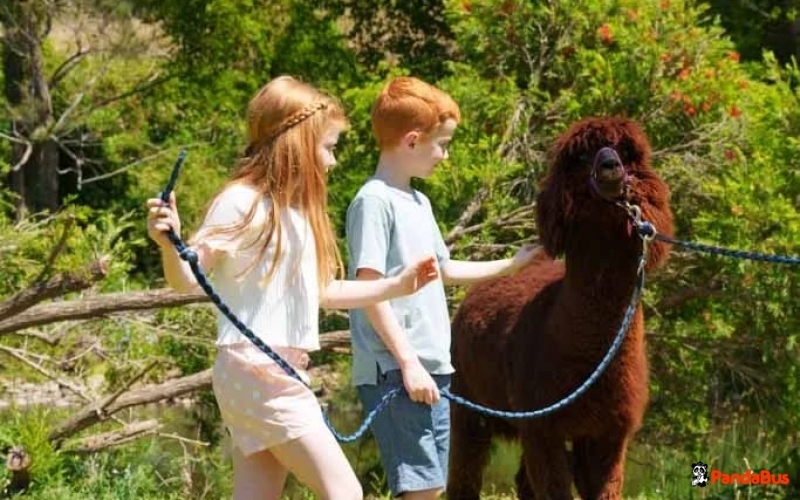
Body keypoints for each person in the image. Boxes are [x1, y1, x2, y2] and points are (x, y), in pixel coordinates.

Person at [145, 75, 440, 500]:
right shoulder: (240, 202)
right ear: (298, 143)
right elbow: (187, 280)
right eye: (329, 147)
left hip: (268, 373)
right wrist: (168, 245)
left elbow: (323, 291)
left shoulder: (296, 213)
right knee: (345, 493)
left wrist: (395, 285)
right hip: (258, 372)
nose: (333, 161)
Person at [346, 76, 543, 500]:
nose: (445, 155)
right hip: (395, 370)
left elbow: (444, 269)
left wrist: (512, 265)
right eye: (443, 144)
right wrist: (408, 363)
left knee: (431, 487)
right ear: (412, 140)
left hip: (433, 367)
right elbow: (369, 291)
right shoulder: (374, 202)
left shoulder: (419, 202)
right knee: (422, 488)